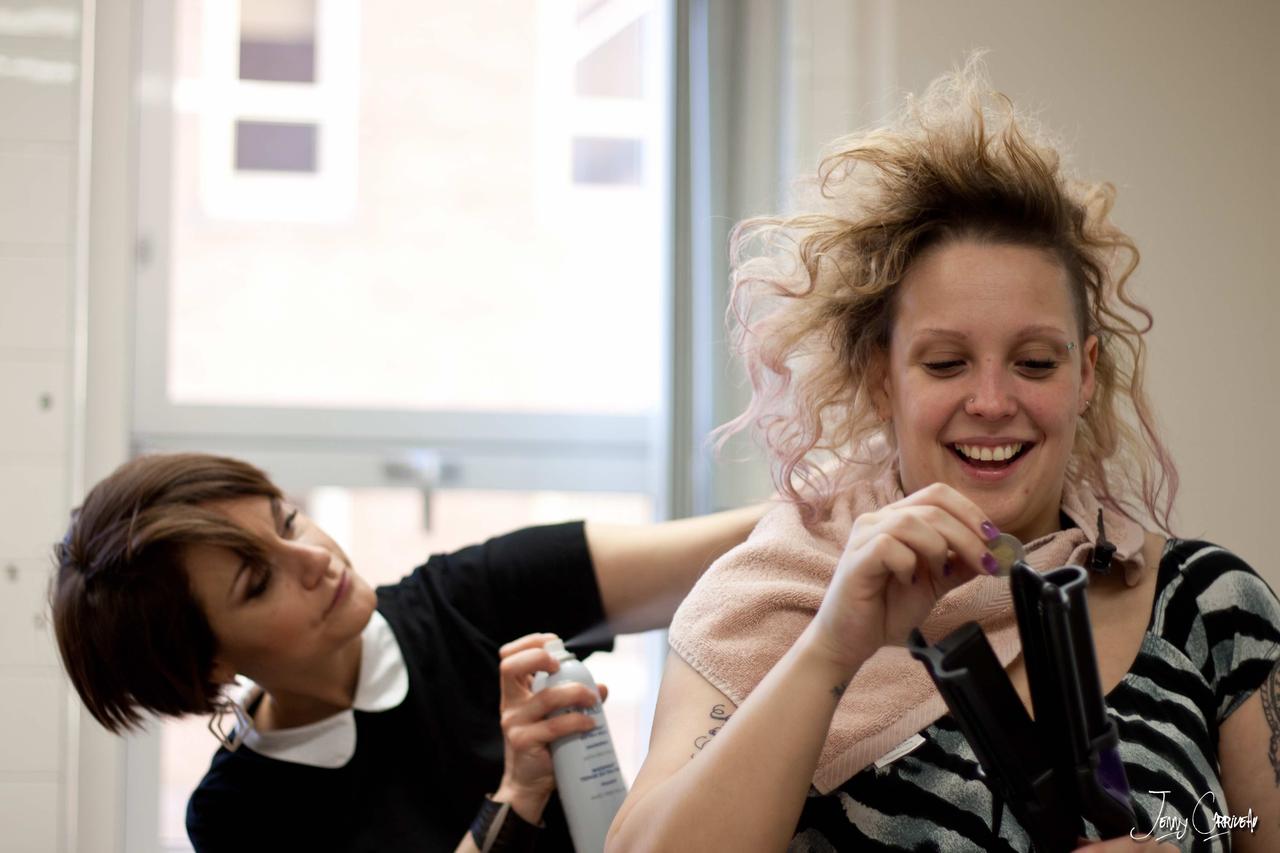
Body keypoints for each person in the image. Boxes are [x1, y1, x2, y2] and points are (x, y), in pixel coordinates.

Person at [607, 60, 1280, 852]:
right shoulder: (775, 602)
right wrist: (831, 648)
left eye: (1035, 361)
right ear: (880, 378)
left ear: (1086, 374)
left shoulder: (1210, 609)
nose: (991, 400)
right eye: (946, 362)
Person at [51, 451, 766, 851]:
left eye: (288, 520)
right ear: (207, 665)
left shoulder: (467, 596)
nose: (314, 558)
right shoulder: (239, 818)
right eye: (259, 581)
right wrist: (516, 795)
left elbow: (746, 544)